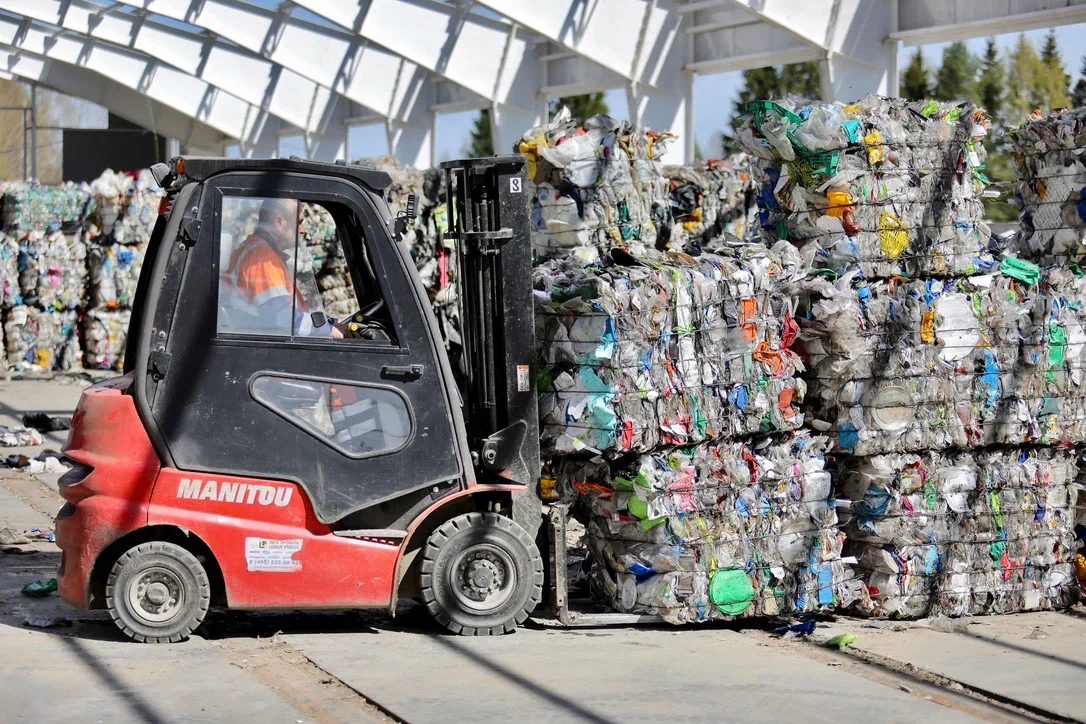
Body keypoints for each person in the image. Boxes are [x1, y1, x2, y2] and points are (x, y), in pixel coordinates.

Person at [222, 198, 343, 338]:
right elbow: (282, 320)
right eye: (299, 223)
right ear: (279, 223)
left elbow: (292, 314)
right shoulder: (262, 259)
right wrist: (330, 331)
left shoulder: (257, 250)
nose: (303, 231)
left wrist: (331, 322)